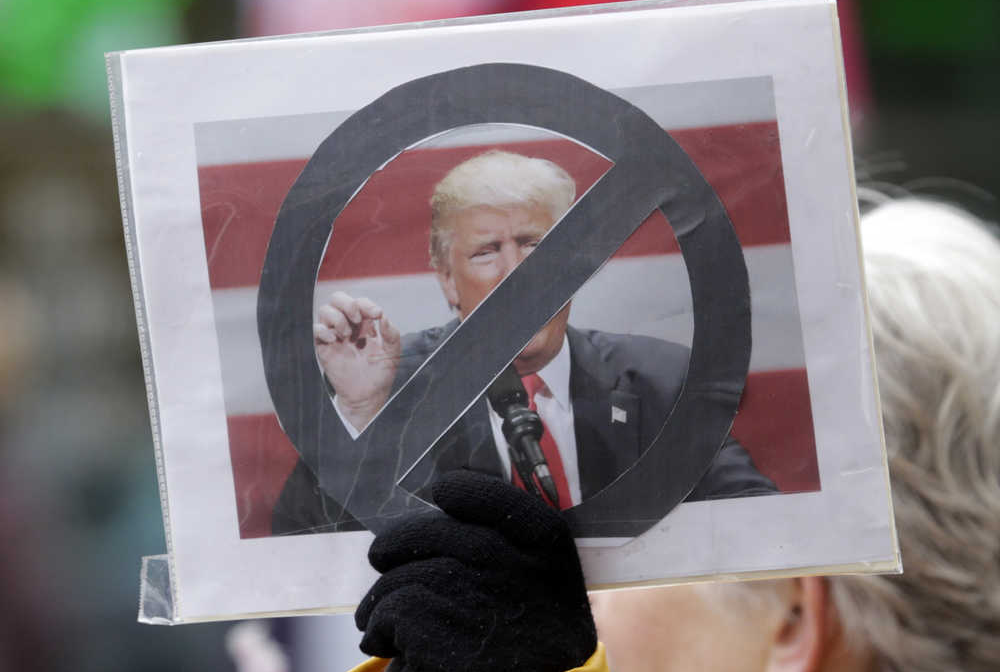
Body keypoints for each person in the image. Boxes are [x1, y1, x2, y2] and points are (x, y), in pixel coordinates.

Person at [303, 197, 1000, 672]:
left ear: (791, 618)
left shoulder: (645, 379)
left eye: (625, 530)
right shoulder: (399, 375)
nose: (582, 602)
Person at [272, 149, 775, 535]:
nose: (517, 273)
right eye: (487, 252)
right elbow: (299, 542)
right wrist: (359, 415)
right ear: (448, 280)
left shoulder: (660, 380)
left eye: (537, 245)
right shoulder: (388, 391)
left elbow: (763, 526)